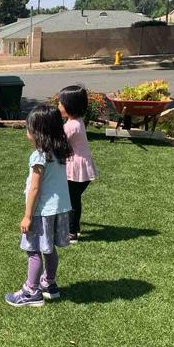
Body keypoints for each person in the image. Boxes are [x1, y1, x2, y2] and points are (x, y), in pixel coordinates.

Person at [4, 105, 73, 307]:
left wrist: (27, 216)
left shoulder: (39, 156)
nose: (27, 131)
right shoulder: (58, 153)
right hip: (59, 209)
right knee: (49, 248)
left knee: (33, 250)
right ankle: (49, 284)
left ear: (38, 132)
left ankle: (31, 292)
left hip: (41, 212)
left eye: (29, 128)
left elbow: (35, 189)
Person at [57, 85, 99, 243]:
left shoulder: (71, 126)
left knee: (71, 201)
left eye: (60, 104)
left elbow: (58, 142)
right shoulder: (76, 121)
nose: (58, 107)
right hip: (82, 167)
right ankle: (75, 228)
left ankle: (72, 232)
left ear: (69, 106)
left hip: (76, 168)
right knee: (73, 198)